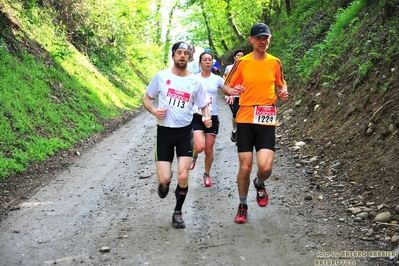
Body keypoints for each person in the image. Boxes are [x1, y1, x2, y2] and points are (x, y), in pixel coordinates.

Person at [222, 23, 289, 224]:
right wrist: (231, 91)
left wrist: (283, 91)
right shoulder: (241, 63)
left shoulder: (275, 62)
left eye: (266, 38)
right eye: (259, 38)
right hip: (244, 120)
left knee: (266, 167)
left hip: (266, 120)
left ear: (269, 39)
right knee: (245, 168)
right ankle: (242, 205)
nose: (262, 41)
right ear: (251, 40)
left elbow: (281, 82)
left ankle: (259, 184)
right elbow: (225, 85)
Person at [142, 41, 212, 229]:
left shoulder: (195, 81)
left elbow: (205, 104)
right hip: (164, 133)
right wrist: (154, 111)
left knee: (183, 176)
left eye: (185, 53)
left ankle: (178, 212)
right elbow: (146, 98)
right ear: (173, 55)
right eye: (178, 52)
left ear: (189, 58)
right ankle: (165, 183)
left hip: (185, 133)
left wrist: (206, 118)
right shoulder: (161, 76)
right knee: (164, 178)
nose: (182, 56)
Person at [189, 51, 225, 187]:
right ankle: (194, 155)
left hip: (212, 117)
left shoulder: (217, 79)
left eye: (210, 60)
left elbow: (226, 88)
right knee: (199, 146)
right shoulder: (194, 78)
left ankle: (207, 174)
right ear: (200, 63)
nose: (208, 62)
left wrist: (231, 93)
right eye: (205, 60)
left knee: (209, 150)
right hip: (197, 116)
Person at [223, 49, 245, 143]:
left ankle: (241, 135)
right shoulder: (229, 67)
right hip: (232, 95)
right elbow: (224, 78)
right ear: (234, 57)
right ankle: (234, 130)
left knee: (242, 114)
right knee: (236, 114)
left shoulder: (246, 67)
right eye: (238, 55)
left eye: (242, 55)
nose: (240, 57)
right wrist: (228, 91)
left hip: (243, 95)